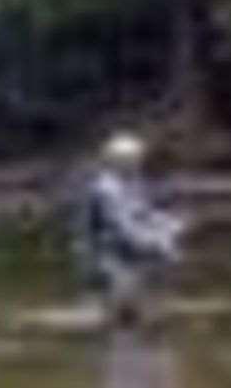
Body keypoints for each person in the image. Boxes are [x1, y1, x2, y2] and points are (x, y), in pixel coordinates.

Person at [67, 131, 185, 324]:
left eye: (137, 159)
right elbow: (122, 226)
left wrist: (171, 227)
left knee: (137, 311)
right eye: (132, 159)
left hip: (126, 254)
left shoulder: (132, 184)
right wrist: (156, 243)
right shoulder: (106, 189)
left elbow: (145, 213)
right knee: (122, 315)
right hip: (107, 257)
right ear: (117, 161)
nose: (136, 163)